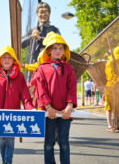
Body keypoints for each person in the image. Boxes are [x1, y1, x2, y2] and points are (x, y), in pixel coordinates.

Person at [0, 45, 34, 164]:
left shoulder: (19, 76)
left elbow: (25, 95)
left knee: (10, 141)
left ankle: (8, 162)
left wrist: (30, 108)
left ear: (13, 60)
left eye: (9, 57)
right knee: (2, 140)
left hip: (14, 115)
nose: (7, 59)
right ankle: (3, 161)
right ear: (0, 61)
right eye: (4, 57)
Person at [34, 32, 77, 164]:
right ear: (48, 51)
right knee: (49, 143)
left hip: (65, 112)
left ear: (64, 50)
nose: (58, 51)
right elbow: (40, 88)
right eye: (54, 48)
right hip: (48, 112)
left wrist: (69, 106)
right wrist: (48, 106)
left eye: (60, 48)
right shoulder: (41, 68)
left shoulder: (69, 68)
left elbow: (72, 88)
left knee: (64, 143)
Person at [104, 46, 119, 133]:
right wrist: (118, 81)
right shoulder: (109, 63)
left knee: (118, 108)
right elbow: (110, 75)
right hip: (111, 87)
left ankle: (117, 125)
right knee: (109, 106)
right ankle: (110, 125)